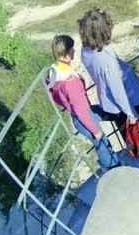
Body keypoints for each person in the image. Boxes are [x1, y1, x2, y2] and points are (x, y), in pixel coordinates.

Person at [79, 8, 139, 172]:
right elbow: (118, 91)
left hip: (109, 103)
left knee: (127, 133)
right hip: (124, 104)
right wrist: (130, 114)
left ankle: (135, 156)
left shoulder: (85, 51)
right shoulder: (106, 62)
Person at [46, 35, 120, 172]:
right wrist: (94, 129)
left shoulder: (53, 71)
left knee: (114, 115)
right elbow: (80, 110)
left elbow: (52, 91)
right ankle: (115, 170)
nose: (74, 50)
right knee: (102, 143)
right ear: (66, 53)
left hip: (78, 116)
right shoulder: (69, 82)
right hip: (85, 116)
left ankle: (112, 166)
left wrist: (66, 104)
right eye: (72, 48)